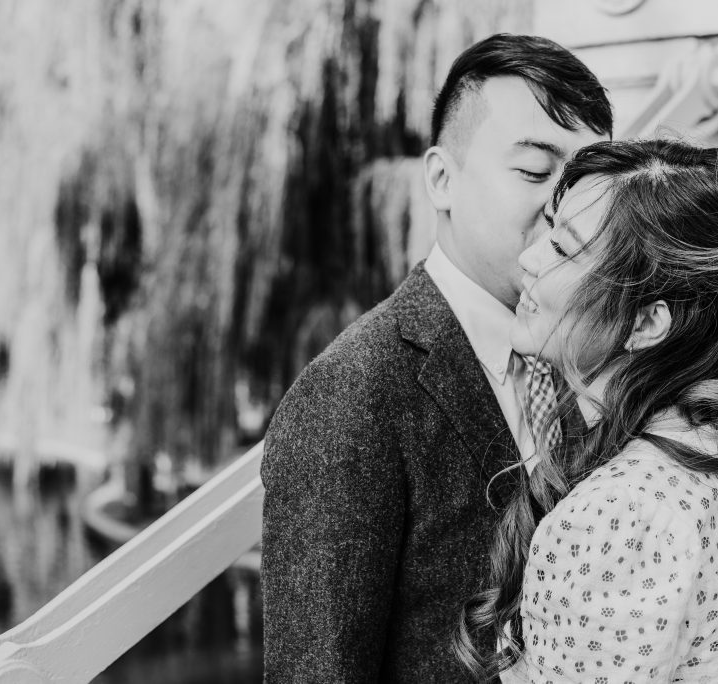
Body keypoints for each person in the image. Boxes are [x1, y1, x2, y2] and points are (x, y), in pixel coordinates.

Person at [260, 33, 611, 682]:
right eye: (536, 172)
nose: (565, 206)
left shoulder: (593, 361)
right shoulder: (352, 394)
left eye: (585, 181)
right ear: (442, 180)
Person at [455, 139, 718, 683]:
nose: (529, 260)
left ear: (648, 322)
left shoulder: (618, 515)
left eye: (563, 250)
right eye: (549, 232)